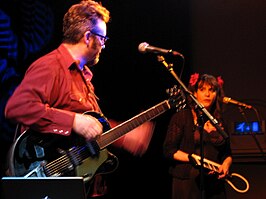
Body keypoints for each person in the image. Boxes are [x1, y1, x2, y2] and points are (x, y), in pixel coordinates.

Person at [4, 0, 155, 198]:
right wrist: (73, 121)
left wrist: (124, 137)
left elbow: (90, 128)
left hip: (76, 182)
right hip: (46, 178)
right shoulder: (51, 66)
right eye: (102, 39)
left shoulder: (84, 77)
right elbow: (17, 108)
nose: (103, 45)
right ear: (87, 37)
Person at [163, 73, 232, 199]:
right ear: (194, 93)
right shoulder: (182, 117)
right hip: (187, 181)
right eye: (202, 90)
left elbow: (227, 153)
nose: (207, 94)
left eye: (212, 90)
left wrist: (226, 165)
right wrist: (192, 158)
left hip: (214, 183)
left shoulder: (220, 121)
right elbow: (169, 150)